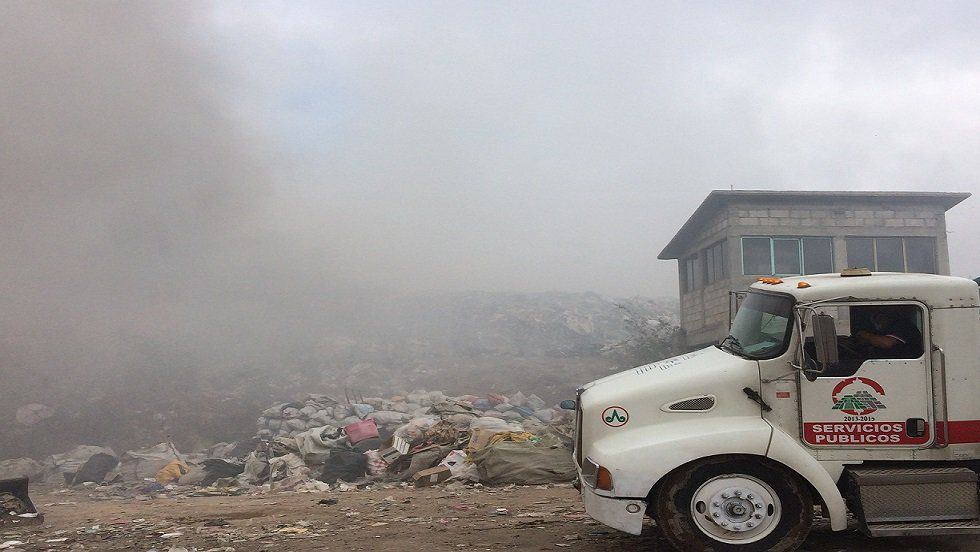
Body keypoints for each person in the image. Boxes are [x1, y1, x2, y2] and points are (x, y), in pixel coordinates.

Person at [854, 306, 922, 359]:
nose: (877, 321)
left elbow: (887, 343)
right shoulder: (883, 330)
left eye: (879, 317)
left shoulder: (903, 326)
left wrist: (865, 335)